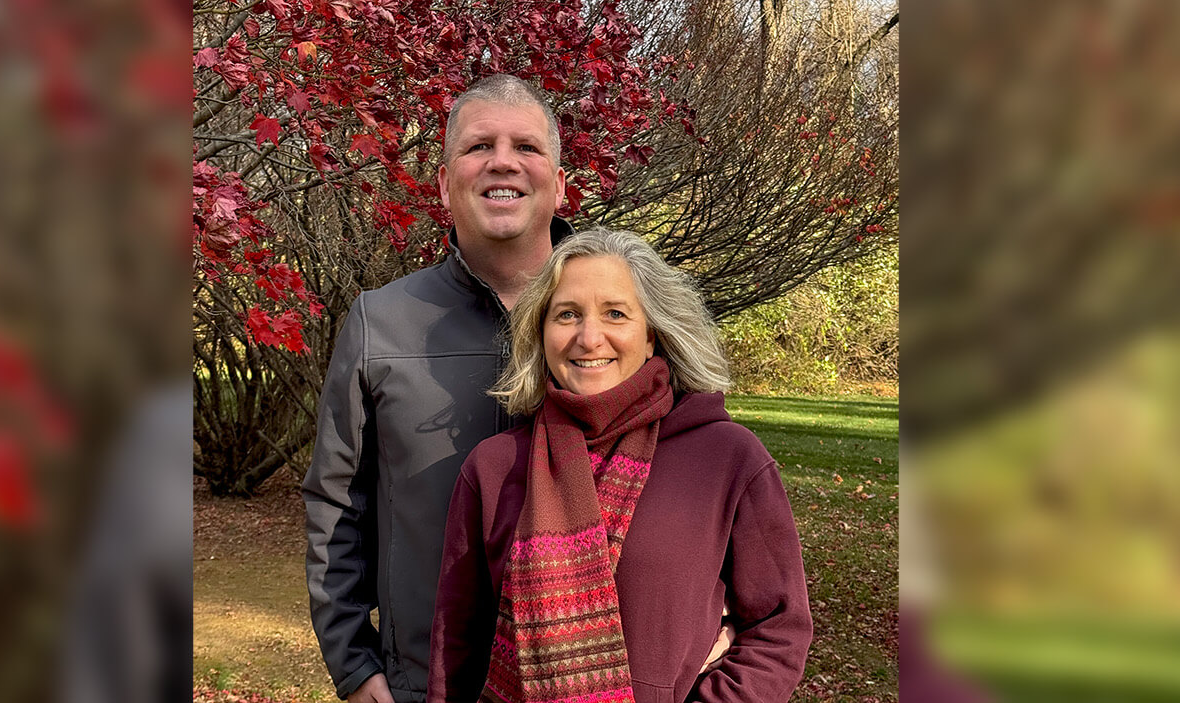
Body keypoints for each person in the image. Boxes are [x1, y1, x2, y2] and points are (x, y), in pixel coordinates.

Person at [428, 229, 812, 703]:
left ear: (651, 335)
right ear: (541, 333)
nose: (589, 338)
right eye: (567, 315)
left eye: (615, 313)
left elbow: (778, 628)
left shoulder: (728, 458)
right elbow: (456, 644)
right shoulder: (493, 467)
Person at [303, 74, 572, 703]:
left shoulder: (620, 317)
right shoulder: (380, 322)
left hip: (585, 677)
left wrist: (716, 603)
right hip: (425, 683)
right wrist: (353, 661)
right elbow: (335, 502)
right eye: (479, 146)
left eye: (526, 146)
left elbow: (695, 471)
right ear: (445, 184)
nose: (503, 161)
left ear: (560, 184)